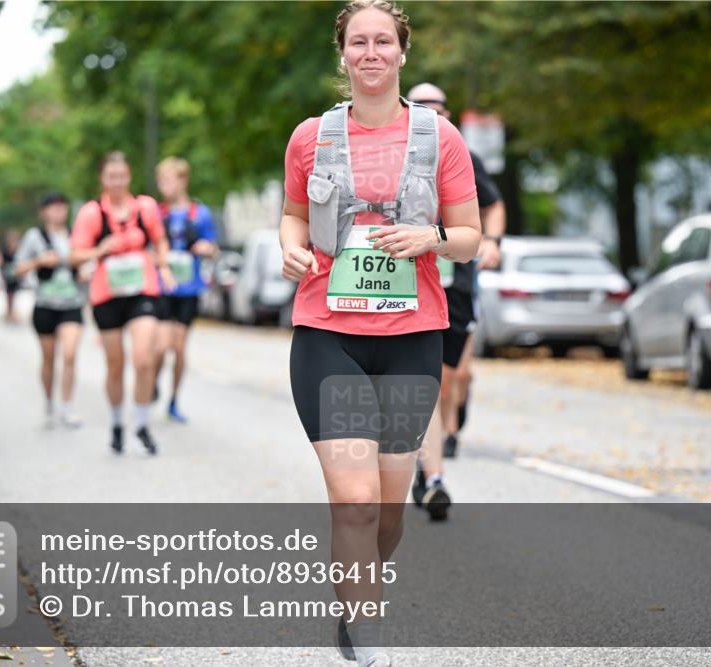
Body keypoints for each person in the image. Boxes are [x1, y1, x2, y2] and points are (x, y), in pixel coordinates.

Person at [281, 2, 480, 664]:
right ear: (342, 54)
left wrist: (432, 237)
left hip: (411, 338)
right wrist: (290, 247)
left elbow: (471, 236)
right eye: (358, 41)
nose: (371, 51)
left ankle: (357, 593)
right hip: (327, 334)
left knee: (389, 512)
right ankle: (367, 636)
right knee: (358, 501)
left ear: (402, 51)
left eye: (383, 41)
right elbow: (290, 215)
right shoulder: (310, 136)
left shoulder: (440, 139)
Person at [405, 83, 507, 518]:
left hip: (458, 281)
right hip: (407, 282)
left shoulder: (466, 157)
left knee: (454, 375)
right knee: (430, 379)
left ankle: (442, 444)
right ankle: (431, 470)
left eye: (438, 110)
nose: (432, 116)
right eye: (422, 109)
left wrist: (494, 242)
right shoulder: (397, 156)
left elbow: (494, 206)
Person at [70, 151, 172, 455]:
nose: (117, 182)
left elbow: (160, 239)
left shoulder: (145, 207)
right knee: (116, 365)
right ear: (103, 178)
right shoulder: (91, 213)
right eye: (111, 177)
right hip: (107, 295)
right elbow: (75, 254)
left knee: (143, 358)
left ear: (129, 176)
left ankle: (141, 424)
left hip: (142, 289)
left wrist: (163, 264)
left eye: (122, 176)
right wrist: (99, 250)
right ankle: (117, 422)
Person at [153, 157, 219, 422]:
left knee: (179, 348)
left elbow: (213, 247)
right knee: (161, 347)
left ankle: (173, 400)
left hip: (189, 289)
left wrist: (207, 249)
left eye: (168, 179)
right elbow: (149, 248)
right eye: (160, 180)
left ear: (183, 180)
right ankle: (154, 381)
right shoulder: (157, 214)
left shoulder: (199, 214)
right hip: (163, 288)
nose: (164, 185)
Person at [15, 192, 86, 429]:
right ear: (44, 211)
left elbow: (88, 261)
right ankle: (49, 403)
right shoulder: (35, 237)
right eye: (53, 208)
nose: (59, 212)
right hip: (45, 304)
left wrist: (86, 271)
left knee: (70, 354)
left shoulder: (76, 236)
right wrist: (39, 262)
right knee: (49, 359)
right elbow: (18, 269)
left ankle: (67, 405)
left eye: (62, 207)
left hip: (72, 304)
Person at [1, 229, 21, 322]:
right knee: (8, 294)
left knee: (14, 294)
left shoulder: (19, 250)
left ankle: (12, 311)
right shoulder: (5, 250)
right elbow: (2, 263)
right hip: (7, 275)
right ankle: (9, 311)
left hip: (15, 275)